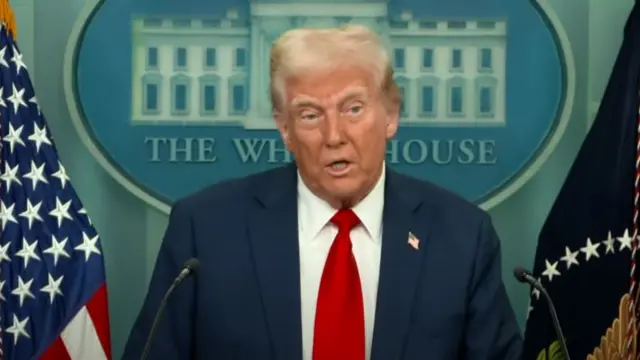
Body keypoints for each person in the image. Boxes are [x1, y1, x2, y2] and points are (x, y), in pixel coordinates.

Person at [122, 24, 523, 360]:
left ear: (391, 115)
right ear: (284, 129)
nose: (334, 136)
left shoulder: (462, 237)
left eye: (353, 109)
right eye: (310, 115)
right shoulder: (206, 230)